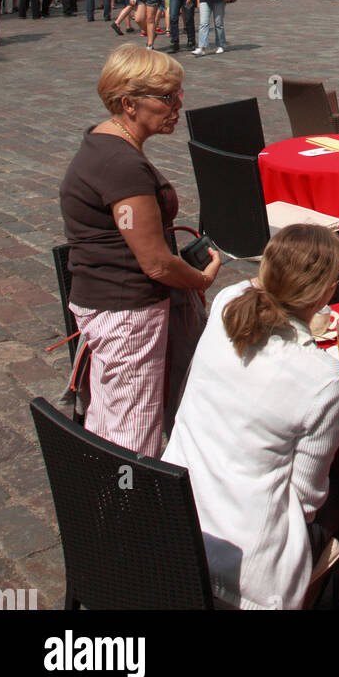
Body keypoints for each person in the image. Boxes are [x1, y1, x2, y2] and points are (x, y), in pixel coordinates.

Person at [163, 224, 339, 610]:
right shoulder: (325, 379)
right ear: (328, 293)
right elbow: (306, 501)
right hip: (249, 574)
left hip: (173, 523)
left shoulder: (228, 301)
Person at [59, 45, 221, 456]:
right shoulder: (121, 165)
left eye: (179, 94)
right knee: (132, 433)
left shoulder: (104, 141)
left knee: (111, 416)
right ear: (129, 104)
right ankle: (129, 510)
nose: (178, 105)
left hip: (110, 302)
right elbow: (154, 262)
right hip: (127, 313)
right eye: (167, 97)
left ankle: (110, 501)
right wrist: (199, 279)